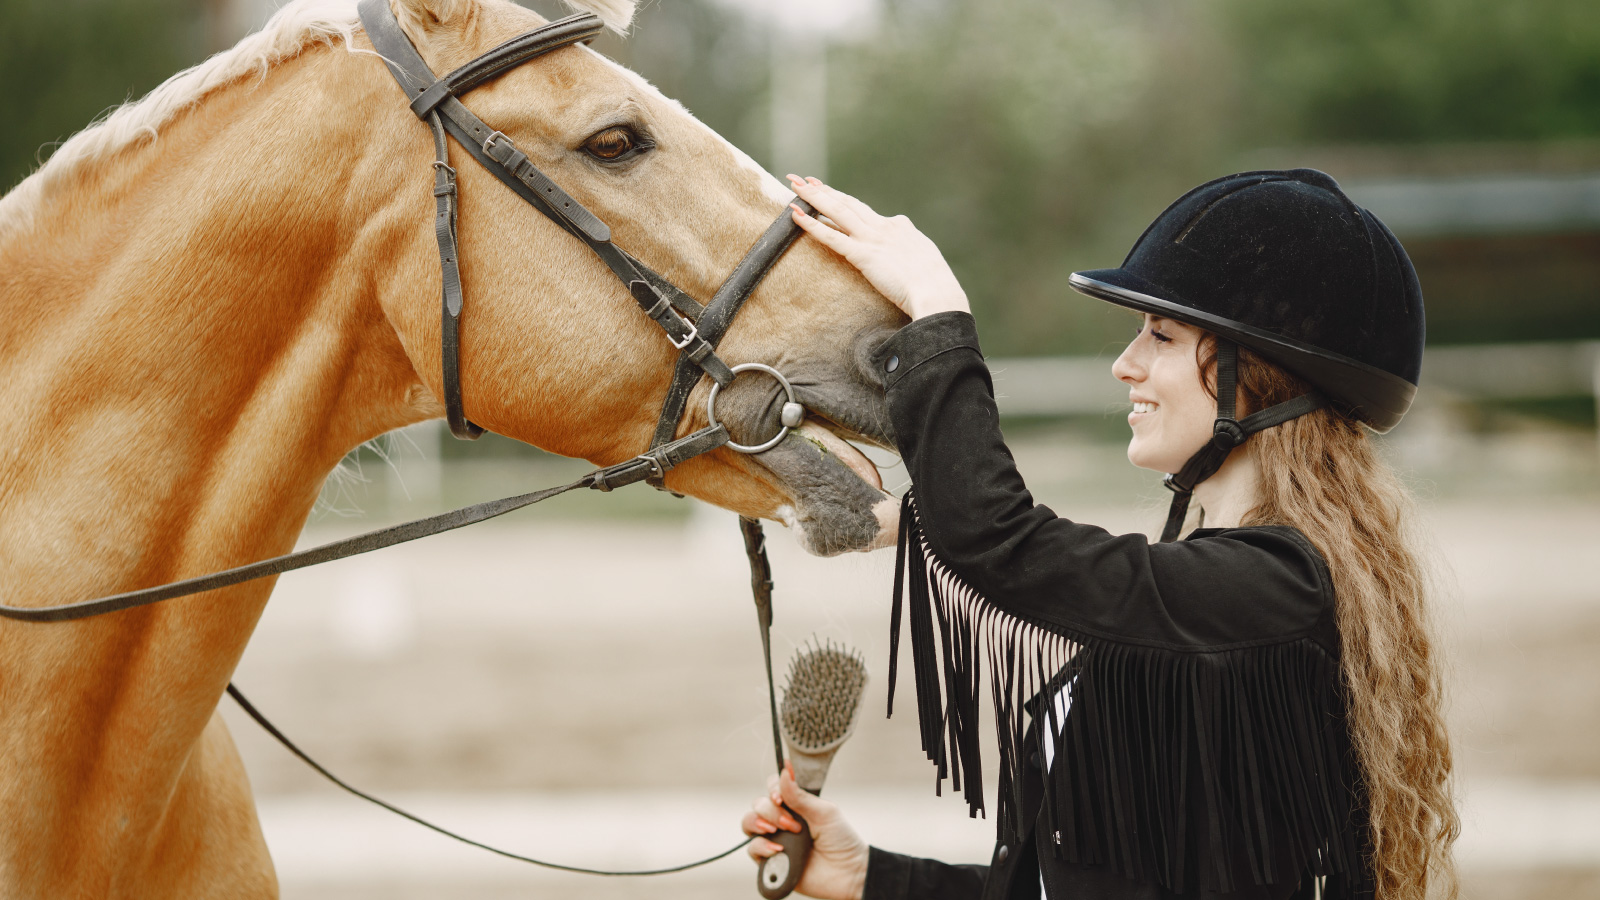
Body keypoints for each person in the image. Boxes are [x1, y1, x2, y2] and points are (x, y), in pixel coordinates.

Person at [741, 170, 1458, 900]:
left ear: (1258, 376)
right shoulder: (1215, 601)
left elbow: (1004, 545)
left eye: (1162, 335)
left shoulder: (1281, 591)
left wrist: (937, 310)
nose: (1126, 363)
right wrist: (871, 877)